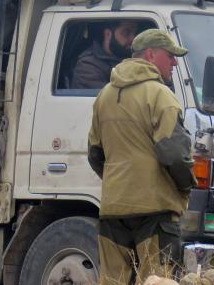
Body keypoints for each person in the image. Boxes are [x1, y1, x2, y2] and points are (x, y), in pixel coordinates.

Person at [87, 29, 194, 285]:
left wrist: (118, 181)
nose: (175, 63)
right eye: (170, 56)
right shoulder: (160, 95)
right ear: (150, 55)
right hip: (155, 212)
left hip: (114, 209)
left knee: (112, 281)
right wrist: (185, 187)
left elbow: (94, 154)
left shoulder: (105, 95)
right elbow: (175, 154)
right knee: (159, 280)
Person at [71, 20, 138, 89]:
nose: (132, 39)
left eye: (134, 33)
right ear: (108, 34)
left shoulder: (131, 57)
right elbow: (111, 96)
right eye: (126, 33)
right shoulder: (87, 65)